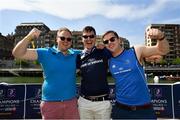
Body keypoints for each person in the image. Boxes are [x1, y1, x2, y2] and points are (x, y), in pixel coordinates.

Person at [12, 27, 80, 119]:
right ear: (56, 39)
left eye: (69, 39)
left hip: (71, 103)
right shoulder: (45, 52)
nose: (66, 41)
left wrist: (101, 46)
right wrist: (29, 36)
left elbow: (93, 52)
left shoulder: (76, 54)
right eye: (62, 38)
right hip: (50, 104)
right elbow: (17, 53)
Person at [102, 28, 169, 119]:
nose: (109, 42)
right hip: (120, 110)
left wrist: (161, 37)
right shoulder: (109, 61)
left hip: (144, 111)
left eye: (112, 39)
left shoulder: (136, 51)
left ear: (119, 40)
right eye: (106, 42)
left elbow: (162, 51)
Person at [77, 26, 112, 119]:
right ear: (82, 39)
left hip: (102, 103)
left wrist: (105, 46)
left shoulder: (103, 51)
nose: (88, 39)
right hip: (84, 103)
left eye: (91, 36)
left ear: (95, 38)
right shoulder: (78, 57)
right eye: (85, 37)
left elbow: (117, 53)